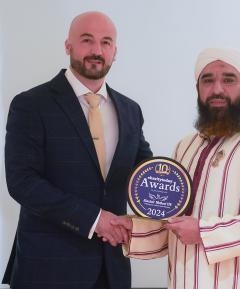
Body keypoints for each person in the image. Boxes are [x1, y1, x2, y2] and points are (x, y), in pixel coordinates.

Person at [114, 48, 240, 289]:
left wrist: (203, 232)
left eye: (228, 79)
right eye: (207, 80)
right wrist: (133, 231)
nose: (217, 89)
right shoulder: (185, 147)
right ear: (197, 89)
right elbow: (175, 225)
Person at [2, 11, 152, 289]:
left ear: (115, 51)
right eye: (87, 40)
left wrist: (172, 198)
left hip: (112, 269)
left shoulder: (131, 110)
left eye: (106, 42)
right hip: (47, 269)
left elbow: (143, 173)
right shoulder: (31, 105)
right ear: (68, 46)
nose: (97, 50)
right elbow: (22, 182)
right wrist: (95, 220)